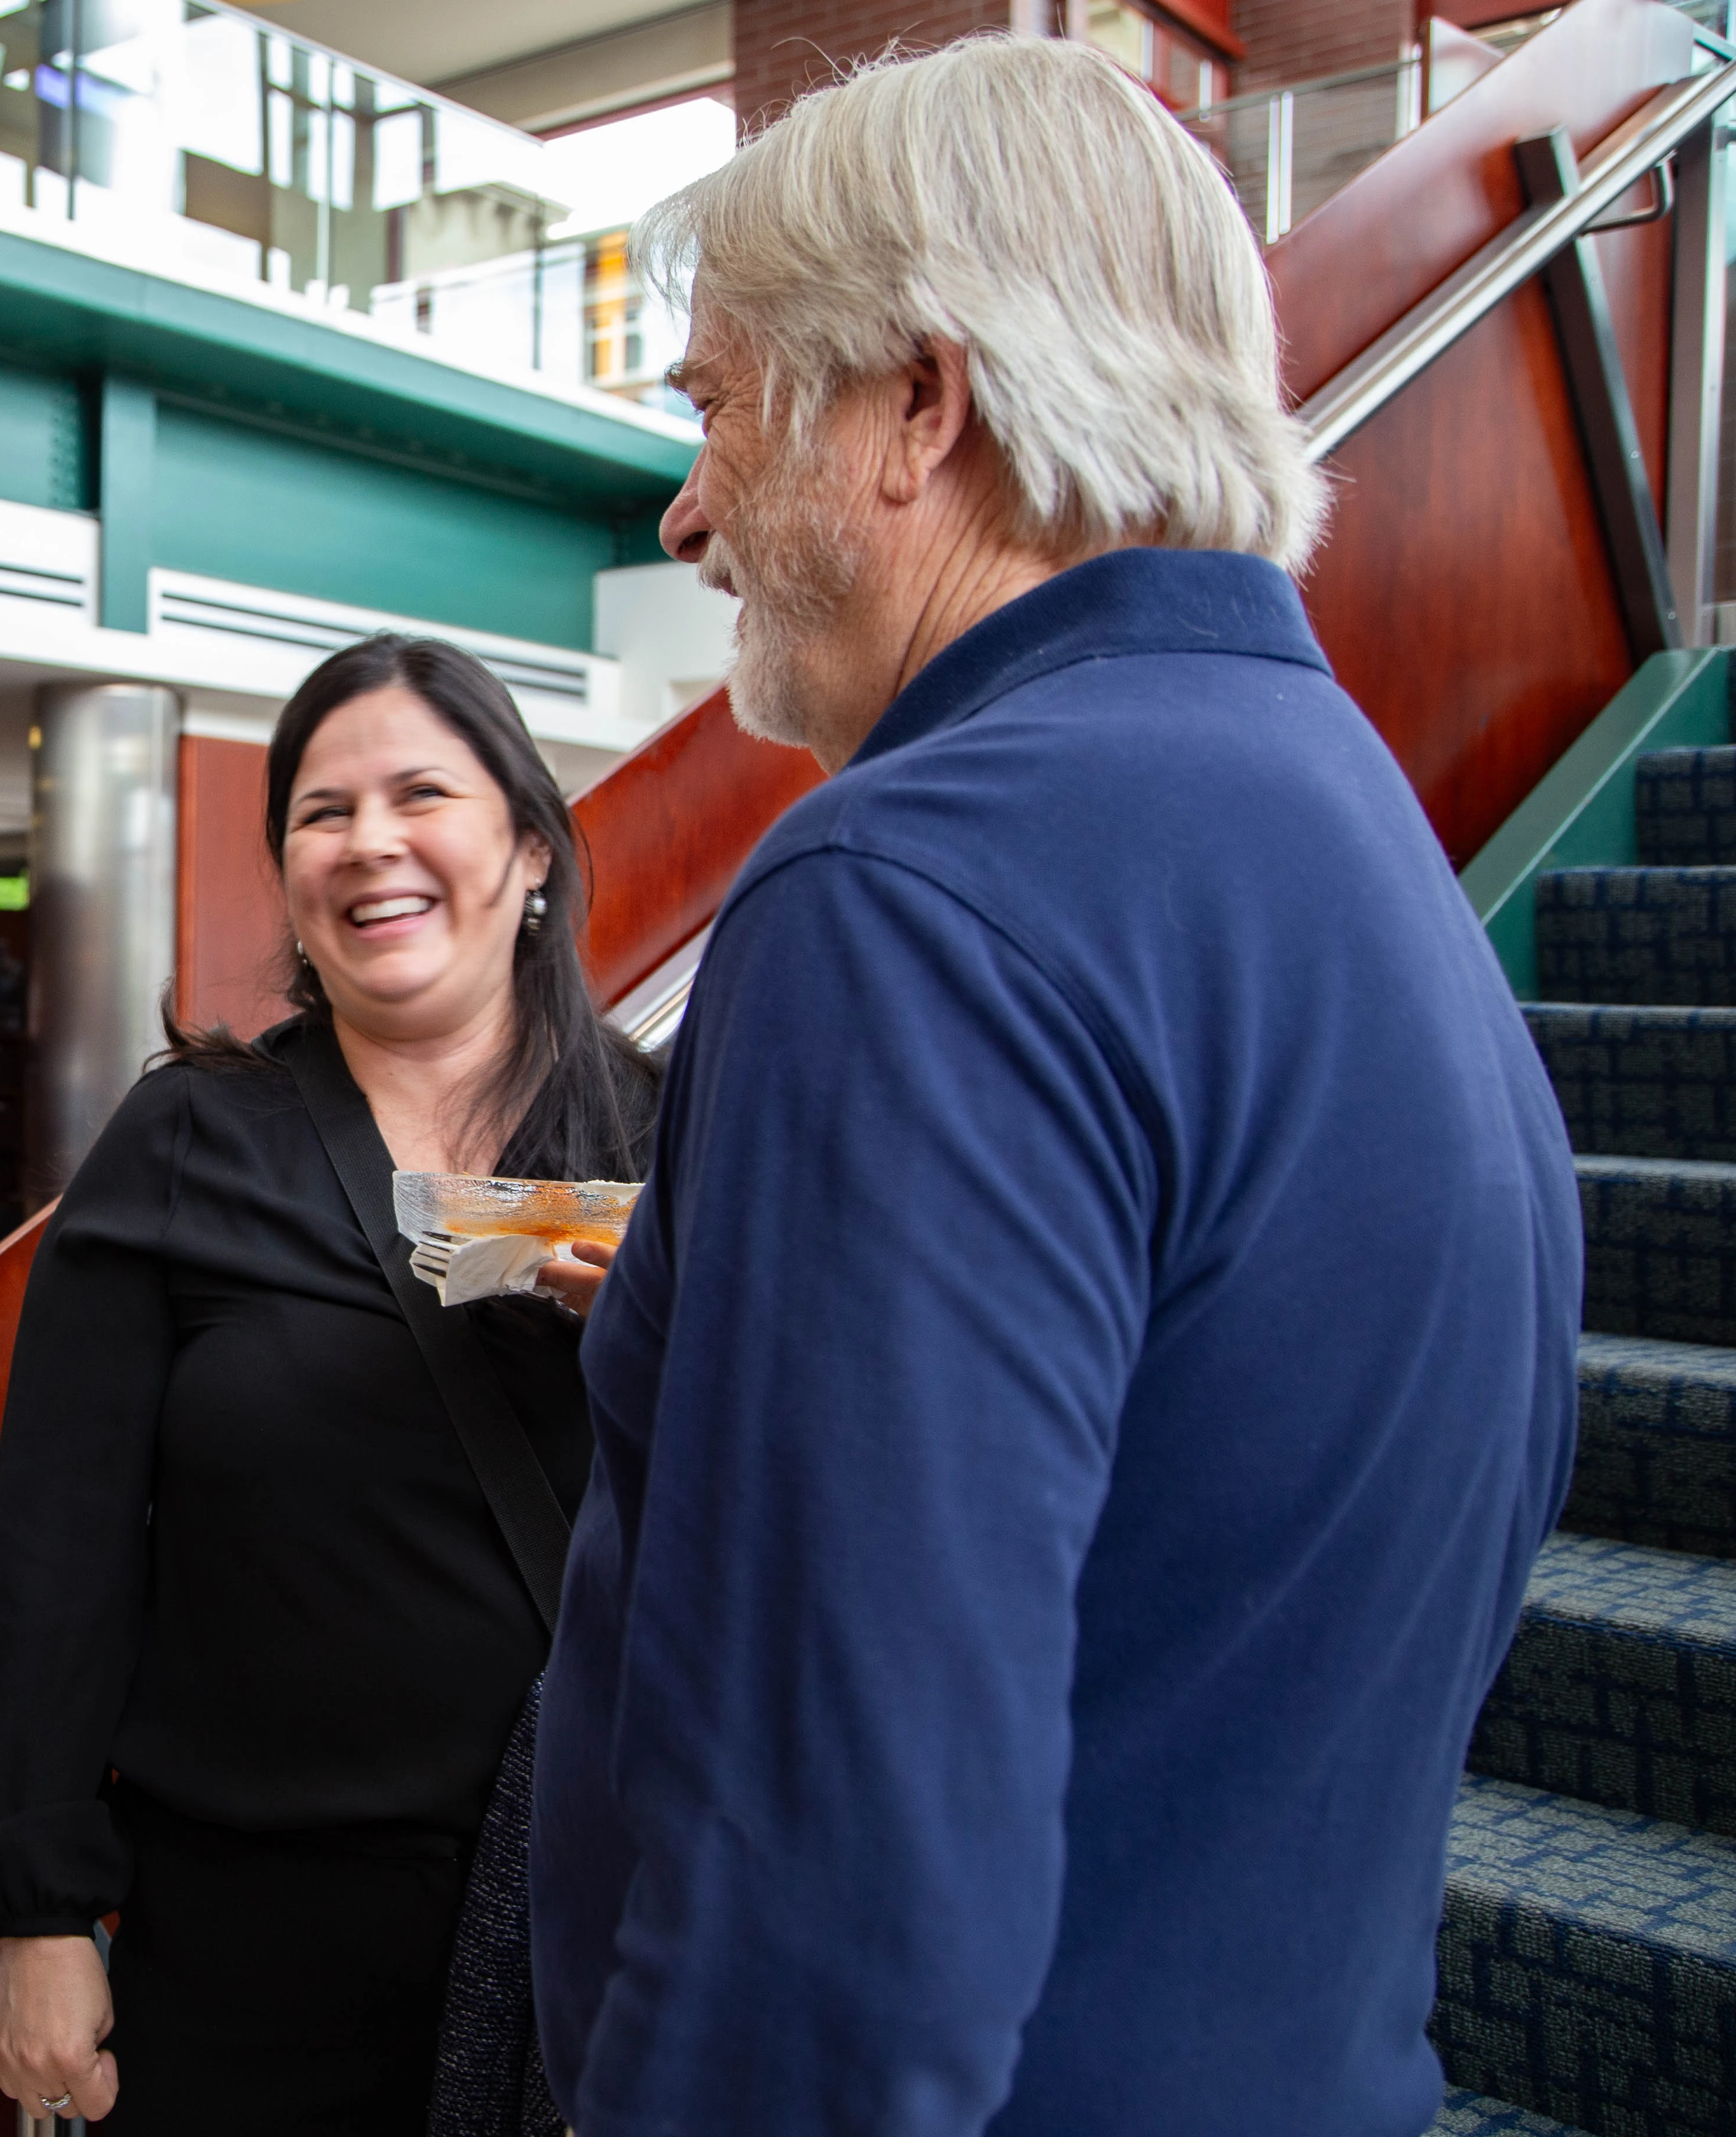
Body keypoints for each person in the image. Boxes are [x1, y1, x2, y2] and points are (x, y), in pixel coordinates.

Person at [530, 40, 1579, 2137]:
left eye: (717, 404)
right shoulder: (1370, 855)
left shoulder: (910, 884)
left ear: (920, 402)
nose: (686, 507)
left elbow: (830, 1907)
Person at [0, 635, 658, 2133]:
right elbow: (60, 1545)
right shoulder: (192, 1135)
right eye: (321, 813)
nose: (368, 844)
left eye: (420, 794)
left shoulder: (667, 1136)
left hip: (588, 1901)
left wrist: (665, 1341)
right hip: (246, 1942)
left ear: (529, 843)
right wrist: (38, 1904)